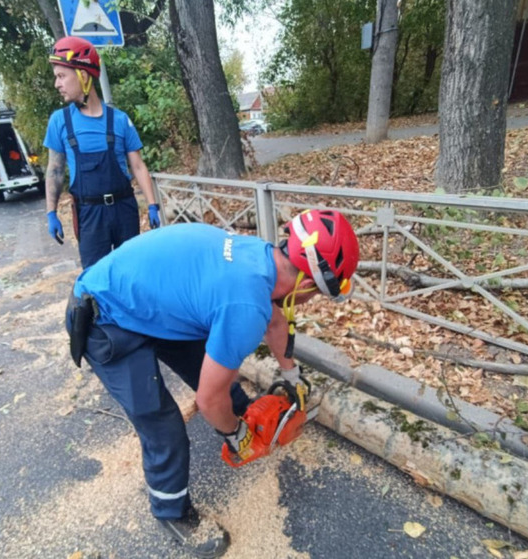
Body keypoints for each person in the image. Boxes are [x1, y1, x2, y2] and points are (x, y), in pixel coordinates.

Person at [65, 209, 359, 557]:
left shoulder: (261, 257)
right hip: (106, 318)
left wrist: (292, 377)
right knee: (164, 425)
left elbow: (277, 323)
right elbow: (207, 400)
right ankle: (172, 510)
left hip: (152, 305)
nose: (312, 300)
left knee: (219, 380)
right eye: (319, 294)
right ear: (308, 284)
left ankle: (243, 419)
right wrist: (235, 435)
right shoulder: (246, 307)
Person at [44, 36, 160, 268]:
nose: (57, 84)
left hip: (124, 210)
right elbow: (55, 170)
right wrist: (51, 212)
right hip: (89, 214)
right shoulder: (60, 121)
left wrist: (152, 204)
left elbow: (137, 165)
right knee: (97, 280)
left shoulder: (119, 120)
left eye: (62, 76)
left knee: (131, 273)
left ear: (83, 75)